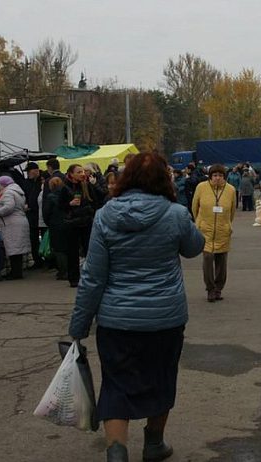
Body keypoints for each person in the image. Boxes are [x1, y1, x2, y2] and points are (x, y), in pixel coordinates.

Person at [68, 152, 204, 462]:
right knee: (161, 378)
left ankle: (117, 453)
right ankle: (154, 444)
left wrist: (78, 327)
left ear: (126, 177)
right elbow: (195, 248)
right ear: (164, 179)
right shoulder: (176, 213)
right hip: (164, 320)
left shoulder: (104, 216)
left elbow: (92, 278)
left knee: (116, 384)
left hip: (117, 321)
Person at [191, 164, 237, 302]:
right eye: (215, 175)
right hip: (206, 231)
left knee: (221, 263)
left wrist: (227, 224)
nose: (218, 178)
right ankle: (210, 289)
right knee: (207, 259)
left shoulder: (230, 190)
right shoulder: (201, 187)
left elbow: (232, 211)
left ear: (224, 177)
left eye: (221, 176)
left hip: (223, 231)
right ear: (210, 176)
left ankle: (218, 288)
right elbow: (195, 207)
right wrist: (199, 223)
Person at [59, 164, 102, 288]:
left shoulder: (87, 185)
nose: (82, 174)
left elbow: (96, 200)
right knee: (72, 252)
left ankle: (90, 276)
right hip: (72, 223)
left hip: (86, 221)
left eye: (82, 171)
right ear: (71, 174)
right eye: (78, 172)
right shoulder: (65, 188)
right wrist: (69, 204)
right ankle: (74, 278)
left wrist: (91, 212)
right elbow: (60, 206)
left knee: (89, 249)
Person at [0, 175, 30, 280]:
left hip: (12, 224)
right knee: (17, 249)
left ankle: (15, 273)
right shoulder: (18, 192)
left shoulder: (8, 192)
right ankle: (17, 272)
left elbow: (9, 206)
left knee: (14, 249)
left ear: (3, 184)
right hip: (19, 221)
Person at [42, 177, 68, 281]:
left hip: (55, 225)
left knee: (58, 249)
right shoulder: (67, 195)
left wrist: (49, 223)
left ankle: (63, 271)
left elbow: (46, 213)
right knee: (67, 248)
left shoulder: (50, 197)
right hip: (67, 223)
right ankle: (68, 270)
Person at [24, 162, 44, 269]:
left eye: (29, 171)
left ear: (36, 170)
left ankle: (47, 259)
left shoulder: (42, 179)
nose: (28, 174)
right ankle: (37, 260)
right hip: (31, 214)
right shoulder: (27, 182)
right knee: (33, 239)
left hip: (41, 213)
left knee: (45, 237)